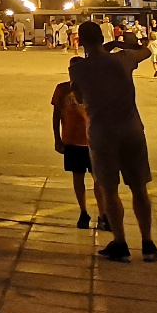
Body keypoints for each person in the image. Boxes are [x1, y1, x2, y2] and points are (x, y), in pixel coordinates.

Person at [69, 20, 157, 263]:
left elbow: (78, 96)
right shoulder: (123, 59)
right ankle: (148, 243)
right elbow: (147, 50)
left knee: (109, 189)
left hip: (102, 132)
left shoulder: (78, 69)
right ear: (103, 37)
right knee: (139, 187)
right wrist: (119, 43)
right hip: (131, 128)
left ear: (80, 40)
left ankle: (120, 242)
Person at [51, 73, 103, 230]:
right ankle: (83, 211)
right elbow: (56, 114)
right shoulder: (63, 89)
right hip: (72, 139)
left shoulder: (94, 89)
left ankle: (103, 214)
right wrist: (57, 138)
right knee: (78, 177)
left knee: (98, 180)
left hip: (93, 141)